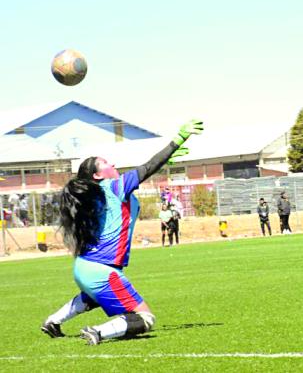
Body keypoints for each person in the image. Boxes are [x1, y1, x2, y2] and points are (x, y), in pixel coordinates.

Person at [40, 119, 203, 345]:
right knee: (145, 318)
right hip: (101, 271)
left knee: (95, 298)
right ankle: (98, 332)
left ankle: (53, 321)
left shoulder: (102, 193)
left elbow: (144, 176)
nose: (113, 163)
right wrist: (177, 141)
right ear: (98, 176)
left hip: (85, 268)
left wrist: (162, 164)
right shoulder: (114, 187)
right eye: (106, 163)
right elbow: (145, 168)